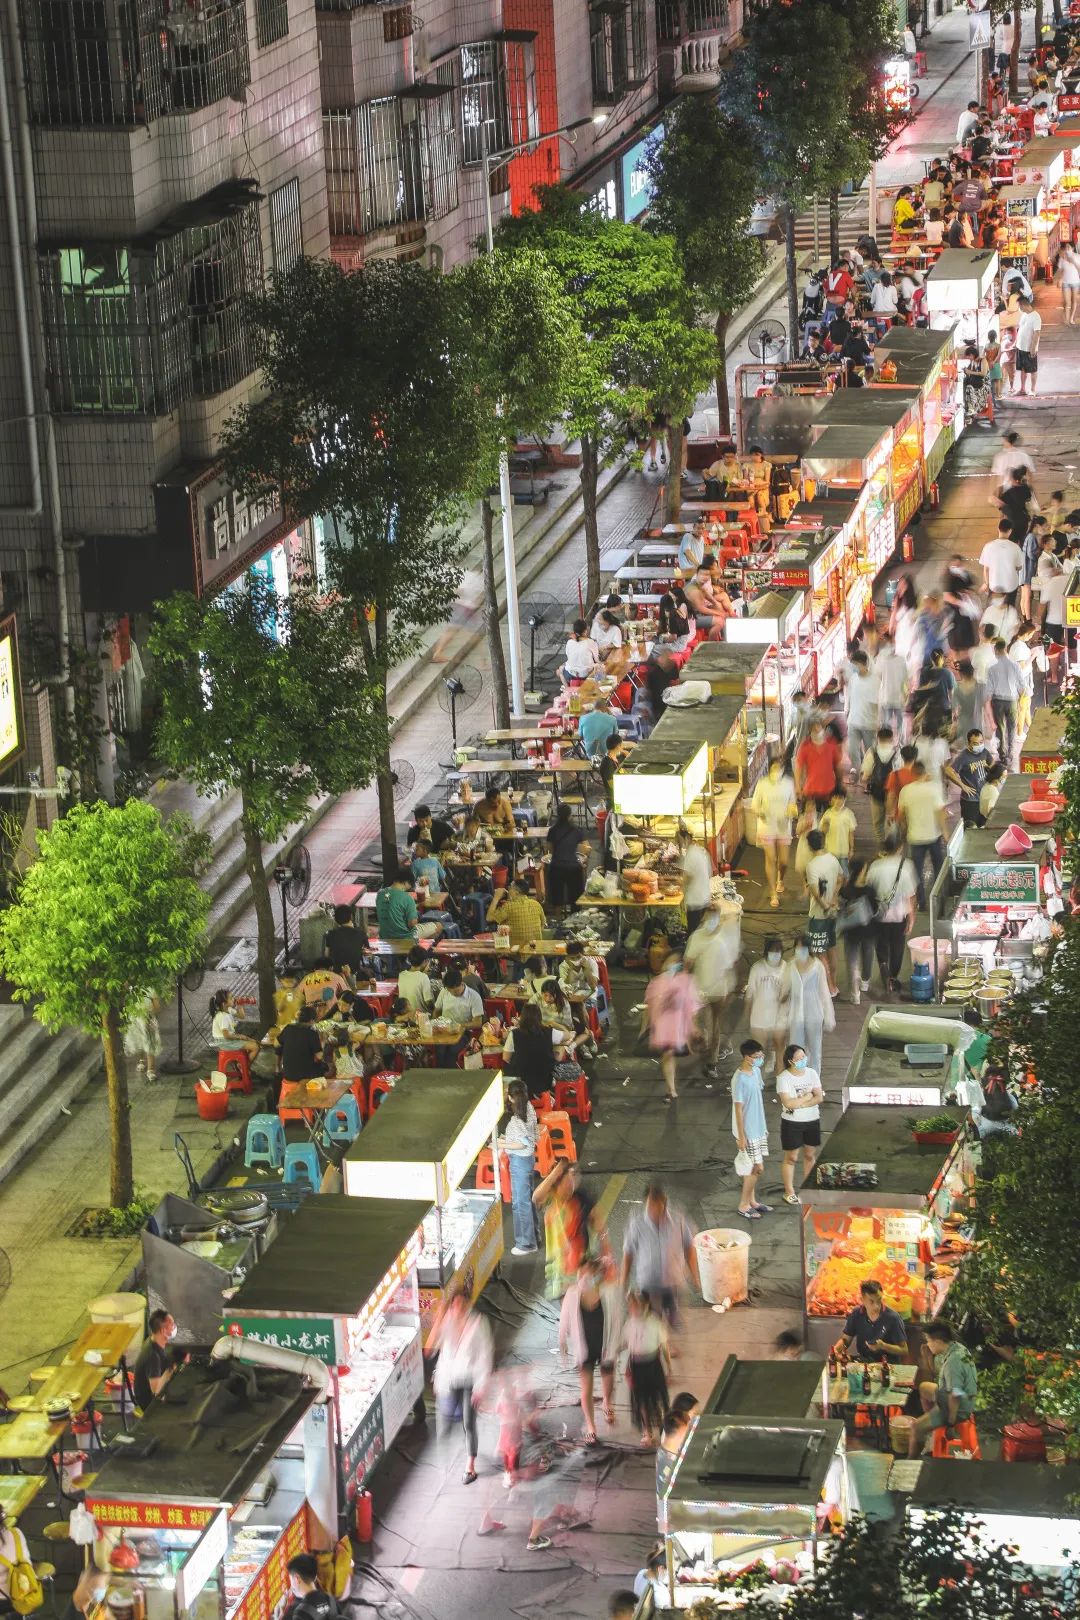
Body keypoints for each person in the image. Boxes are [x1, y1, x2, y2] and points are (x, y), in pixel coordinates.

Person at [430, 1280, 494, 1484]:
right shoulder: (446, 1321)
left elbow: (485, 1355)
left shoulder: (478, 1322)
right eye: (454, 1304)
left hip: (470, 1379)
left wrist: (481, 1386)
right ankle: (442, 1464)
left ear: (467, 1305)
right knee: (445, 1421)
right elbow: (430, 1349)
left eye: (461, 1304)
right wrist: (438, 1319)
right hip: (449, 1379)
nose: (458, 1308)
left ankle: (470, 1465)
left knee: (469, 1422)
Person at [559, 1255, 623, 1442]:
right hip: (584, 1348)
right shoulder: (572, 1294)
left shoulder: (609, 1293)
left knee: (607, 1378)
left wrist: (615, 1345)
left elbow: (617, 1319)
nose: (585, 1275)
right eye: (582, 1271)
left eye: (588, 1271)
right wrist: (562, 1341)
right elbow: (564, 1320)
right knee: (586, 1388)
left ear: (596, 1273)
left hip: (605, 1346)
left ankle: (607, 1402)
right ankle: (591, 1425)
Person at [620, 1181, 699, 1322]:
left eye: (658, 1205)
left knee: (673, 1321)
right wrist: (623, 1282)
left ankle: (670, 1330)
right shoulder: (637, 1224)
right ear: (646, 1203)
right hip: (647, 1286)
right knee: (651, 1324)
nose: (654, 1210)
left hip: (672, 1285)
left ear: (664, 1203)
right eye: (651, 1205)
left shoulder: (678, 1220)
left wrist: (695, 1277)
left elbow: (689, 1247)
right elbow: (628, 1254)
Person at [908, 1318, 979, 1458]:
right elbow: (938, 1373)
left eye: (928, 1341)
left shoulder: (953, 1362)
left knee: (916, 1428)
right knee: (923, 1387)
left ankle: (912, 1461)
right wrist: (927, 1357)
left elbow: (955, 1395)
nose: (927, 1344)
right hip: (950, 1395)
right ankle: (930, 1430)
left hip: (957, 1407)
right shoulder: (955, 1347)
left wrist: (950, 1424)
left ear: (938, 1341)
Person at [684, 905, 740, 1080]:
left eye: (714, 917)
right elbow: (688, 962)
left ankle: (712, 1062)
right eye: (708, 918)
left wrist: (731, 988)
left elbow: (731, 964)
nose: (711, 921)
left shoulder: (724, 938)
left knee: (715, 1024)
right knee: (699, 1023)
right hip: (699, 988)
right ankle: (702, 1045)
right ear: (703, 919)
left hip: (719, 989)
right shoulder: (697, 938)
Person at [644, 950, 700, 1102]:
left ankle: (670, 1088)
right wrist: (647, 1025)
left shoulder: (686, 981)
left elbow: (691, 1006)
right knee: (668, 1054)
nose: (672, 965)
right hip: (663, 1027)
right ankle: (672, 1090)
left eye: (676, 962)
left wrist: (693, 1027)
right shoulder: (657, 983)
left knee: (670, 1056)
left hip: (678, 1027)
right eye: (670, 961)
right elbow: (650, 1005)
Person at [866, 833, 918, 993]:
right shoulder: (906, 866)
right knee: (897, 948)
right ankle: (893, 978)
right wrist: (911, 918)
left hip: (878, 916)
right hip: (898, 916)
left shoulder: (875, 866)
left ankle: (883, 968)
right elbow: (911, 895)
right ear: (900, 847)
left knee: (881, 947)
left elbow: (868, 890)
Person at [776, 1043, 823, 1206]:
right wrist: (807, 1096)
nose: (803, 1060)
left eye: (804, 1057)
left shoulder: (811, 1073)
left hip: (812, 1120)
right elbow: (788, 1103)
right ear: (790, 1061)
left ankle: (808, 1188)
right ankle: (789, 1192)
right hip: (792, 1123)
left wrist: (801, 1104)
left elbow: (819, 1097)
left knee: (810, 1155)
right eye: (799, 1058)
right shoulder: (783, 1078)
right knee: (791, 1157)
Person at [897, 760, 948, 910]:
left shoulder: (905, 791)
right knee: (939, 868)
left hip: (915, 837)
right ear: (925, 773)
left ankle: (922, 903)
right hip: (934, 836)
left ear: (912, 774)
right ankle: (940, 899)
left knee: (917, 871)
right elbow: (940, 812)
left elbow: (901, 815)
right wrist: (945, 832)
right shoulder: (933, 788)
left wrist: (904, 828)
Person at [624, 1293, 672, 1447]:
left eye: (635, 1305)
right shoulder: (629, 1324)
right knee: (642, 1400)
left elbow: (664, 1347)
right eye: (630, 1306)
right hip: (637, 1367)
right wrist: (625, 1364)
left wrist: (669, 1368)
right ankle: (647, 1430)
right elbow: (629, 1346)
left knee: (656, 1398)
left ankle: (663, 1428)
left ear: (644, 1306)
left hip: (653, 1366)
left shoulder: (655, 1323)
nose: (632, 1309)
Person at [750, 754, 798, 907]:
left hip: (783, 826)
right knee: (771, 858)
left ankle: (780, 880)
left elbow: (793, 803)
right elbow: (755, 804)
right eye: (773, 768)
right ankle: (773, 893)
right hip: (767, 826)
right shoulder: (762, 784)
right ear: (769, 769)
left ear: (783, 769)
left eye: (779, 768)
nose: (776, 771)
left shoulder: (789, 784)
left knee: (783, 861)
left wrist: (792, 812)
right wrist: (760, 812)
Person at [731, 1040, 770, 1220]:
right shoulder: (739, 1079)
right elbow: (738, 1108)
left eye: (761, 1056)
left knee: (753, 1169)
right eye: (757, 1057)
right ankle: (743, 1204)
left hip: (759, 1127)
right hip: (748, 1131)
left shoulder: (755, 1071)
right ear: (746, 1057)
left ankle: (752, 1201)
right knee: (756, 1168)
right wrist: (742, 1136)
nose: (760, 1059)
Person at [744, 936, 792, 1074]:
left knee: (780, 1051)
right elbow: (750, 993)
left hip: (779, 1017)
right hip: (760, 1017)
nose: (775, 953)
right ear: (766, 952)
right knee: (757, 1052)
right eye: (772, 950)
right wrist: (747, 1013)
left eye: (778, 950)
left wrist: (785, 996)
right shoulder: (757, 968)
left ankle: (781, 1082)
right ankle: (754, 1082)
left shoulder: (786, 968)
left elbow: (788, 992)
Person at [788, 935, 835, 1078]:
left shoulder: (817, 966)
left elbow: (824, 992)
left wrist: (829, 1016)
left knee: (814, 1048)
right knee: (795, 1048)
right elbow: (785, 990)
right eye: (797, 947)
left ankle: (815, 1080)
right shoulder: (790, 965)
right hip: (796, 1012)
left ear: (808, 949)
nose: (800, 950)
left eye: (803, 947)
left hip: (813, 1011)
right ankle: (796, 1079)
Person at [803, 829, 842, 996]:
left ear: (809, 846)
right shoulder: (832, 859)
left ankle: (830, 988)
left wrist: (825, 906)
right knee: (831, 948)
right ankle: (835, 983)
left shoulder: (811, 866)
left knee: (820, 953)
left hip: (819, 915)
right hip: (833, 912)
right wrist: (834, 897)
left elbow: (814, 892)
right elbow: (841, 878)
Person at [502, 1001, 563, 1102]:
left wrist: (519, 1060)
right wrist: (556, 1025)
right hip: (545, 1080)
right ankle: (543, 1094)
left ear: (522, 1017)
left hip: (522, 1080)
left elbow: (505, 1058)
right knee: (559, 1050)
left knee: (509, 1064)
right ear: (539, 1017)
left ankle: (514, 1097)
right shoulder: (549, 1032)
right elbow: (568, 1035)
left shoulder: (514, 1034)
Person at [838, 1279, 908, 1364]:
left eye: (879, 1300)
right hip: (864, 1362)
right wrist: (837, 1349)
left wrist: (883, 1346)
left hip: (887, 1365)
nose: (876, 1306)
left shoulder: (893, 1318)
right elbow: (846, 1340)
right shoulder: (857, 1313)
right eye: (871, 1302)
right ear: (862, 1300)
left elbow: (904, 1350)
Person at [839, 856, 876, 1005]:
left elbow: (840, 908)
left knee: (852, 961)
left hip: (850, 931)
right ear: (861, 871)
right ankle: (865, 981)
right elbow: (875, 909)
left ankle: (855, 994)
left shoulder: (846, 890)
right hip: (867, 929)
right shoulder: (869, 890)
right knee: (867, 953)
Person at [133, 1308, 180, 1412]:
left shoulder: (154, 1339)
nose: (175, 1327)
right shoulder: (153, 1356)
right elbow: (156, 1391)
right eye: (172, 1325)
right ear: (163, 1331)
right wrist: (171, 1369)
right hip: (150, 1404)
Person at [986, 637, 1024, 766]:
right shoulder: (1015, 666)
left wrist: (988, 706)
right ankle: (1011, 754)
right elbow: (1022, 686)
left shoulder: (992, 668)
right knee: (1012, 728)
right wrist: (1018, 699)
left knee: (1001, 729)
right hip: (1012, 700)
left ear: (996, 650)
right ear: (1006, 649)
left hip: (998, 702)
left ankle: (1002, 755)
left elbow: (989, 691)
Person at [946, 729, 995, 828]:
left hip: (984, 798)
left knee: (984, 826)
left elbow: (992, 762)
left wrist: (991, 772)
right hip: (971, 801)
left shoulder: (984, 752)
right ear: (969, 743)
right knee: (971, 828)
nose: (979, 745)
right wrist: (963, 786)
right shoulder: (963, 757)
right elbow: (948, 770)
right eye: (975, 743)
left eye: (981, 742)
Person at [376, 870, 440, 942]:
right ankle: (421, 949)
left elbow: (392, 906)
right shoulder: (407, 898)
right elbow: (412, 924)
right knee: (438, 926)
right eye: (410, 885)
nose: (409, 888)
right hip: (404, 938)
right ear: (405, 882)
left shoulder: (380, 894)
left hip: (385, 936)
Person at [795, 720, 842, 811]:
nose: (816, 730)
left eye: (818, 727)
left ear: (823, 728)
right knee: (809, 822)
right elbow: (799, 767)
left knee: (830, 820)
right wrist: (798, 786)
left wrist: (840, 783)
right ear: (810, 730)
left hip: (829, 790)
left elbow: (838, 765)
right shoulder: (805, 746)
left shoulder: (831, 743)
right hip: (810, 791)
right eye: (814, 728)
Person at [488, 876, 546, 949]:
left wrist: (496, 898)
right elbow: (543, 925)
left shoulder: (508, 907)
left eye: (510, 887)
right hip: (535, 949)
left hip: (515, 951)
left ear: (516, 892)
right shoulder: (536, 904)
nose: (508, 889)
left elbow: (489, 918)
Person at [278, 1002, 326, 1082]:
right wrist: (324, 1041)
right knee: (324, 1067)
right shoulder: (311, 1031)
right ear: (311, 1020)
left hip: (287, 1074)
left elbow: (277, 1044)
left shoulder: (288, 1028)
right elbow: (319, 1056)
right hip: (305, 1076)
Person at [980, 517, 1024, 603]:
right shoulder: (1015, 547)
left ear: (998, 529)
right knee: (1009, 609)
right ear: (1010, 531)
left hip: (994, 585)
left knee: (994, 610)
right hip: (1010, 585)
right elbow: (1019, 567)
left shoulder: (988, 546)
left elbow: (986, 569)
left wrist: (986, 583)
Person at [678, 826, 713, 934]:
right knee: (701, 931)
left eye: (679, 840)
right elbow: (709, 872)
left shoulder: (690, 855)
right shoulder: (701, 851)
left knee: (693, 932)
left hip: (695, 900)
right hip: (704, 897)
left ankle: (693, 950)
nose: (679, 844)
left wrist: (677, 885)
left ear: (687, 839)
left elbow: (686, 878)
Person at [210, 990, 260, 1062]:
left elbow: (242, 1016)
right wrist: (240, 1036)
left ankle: (243, 1064)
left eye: (233, 997)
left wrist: (240, 1005)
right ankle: (243, 1067)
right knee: (255, 1047)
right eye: (231, 998)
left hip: (227, 1039)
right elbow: (226, 1036)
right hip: (224, 1042)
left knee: (254, 1042)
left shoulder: (229, 1009)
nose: (234, 999)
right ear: (224, 1003)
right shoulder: (223, 1017)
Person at [284, 1556, 338, 1620]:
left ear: (297, 1579)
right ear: (315, 1576)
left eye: (291, 1579)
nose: (291, 1585)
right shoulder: (329, 1598)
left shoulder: (302, 1612)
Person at [124, 992, 162, 1082]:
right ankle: (141, 1060)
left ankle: (151, 1069)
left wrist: (151, 1016)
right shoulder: (131, 987)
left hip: (148, 1019)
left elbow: (157, 1007)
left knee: (149, 1043)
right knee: (139, 1041)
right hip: (135, 1018)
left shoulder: (151, 988)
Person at [323, 902, 368, 976]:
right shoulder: (361, 933)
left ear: (336, 919)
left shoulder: (330, 934)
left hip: (337, 974)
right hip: (355, 973)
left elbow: (326, 955)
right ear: (351, 917)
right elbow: (367, 952)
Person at [820, 785, 856, 875]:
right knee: (830, 874)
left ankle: (843, 888)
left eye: (840, 798)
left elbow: (851, 833)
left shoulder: (849, 814)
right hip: (830, 851)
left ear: (844, 799)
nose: (837, 801)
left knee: (844, 875)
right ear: (831, 799)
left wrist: (851, 849)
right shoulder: (827, 814)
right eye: (835, 798)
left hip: (843, 852)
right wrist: (825, 824)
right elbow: (823, 832)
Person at [1014, 295, 1042, 396]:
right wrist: (1016, 343)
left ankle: (1033, 390)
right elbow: (1020, 329)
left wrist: (1033, 348)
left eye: (1019, 306)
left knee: (1032, 370)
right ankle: (1022, 389)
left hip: (1029, 348)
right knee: (1022, 369)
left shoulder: (1036, 317)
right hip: (1020, 347)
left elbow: (1036, 333)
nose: (1019, 308)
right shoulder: (1024, 314)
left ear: (1023, 305)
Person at [562, 619, 601, 686]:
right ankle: (596, 686)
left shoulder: (569, 642)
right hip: (586, 674)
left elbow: (569, 657)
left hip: (571, 674)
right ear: (585, 631)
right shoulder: (590, 642)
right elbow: (597, 660)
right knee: (600, 668)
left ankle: (568, 689)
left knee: (560, 670)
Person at [397, 944, 435, 1012]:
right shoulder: (423, 977)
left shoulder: (401, 975)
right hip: (421, 1017)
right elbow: (428, 1001)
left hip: (406, 1015)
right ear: (424, 961)